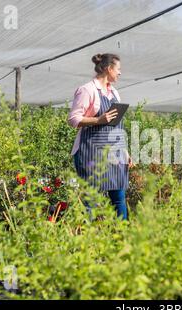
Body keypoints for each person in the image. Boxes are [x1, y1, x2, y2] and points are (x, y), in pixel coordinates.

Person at [67, 53, 132, 220]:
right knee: (90, 200)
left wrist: (124, 152)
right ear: (109, 68)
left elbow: (117, 126)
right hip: (90, 152)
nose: (120, 73)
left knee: (119, 198)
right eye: (118, 69)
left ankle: (122, 239)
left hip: (114, 153)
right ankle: (88, 241)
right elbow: (73, 119)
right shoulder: (87, 90)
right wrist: (98, 120)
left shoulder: (115, 93)